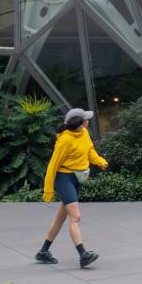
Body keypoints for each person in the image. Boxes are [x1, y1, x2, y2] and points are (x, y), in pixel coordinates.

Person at [37, 108, 108, 268]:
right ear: (79, 122)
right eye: (85, 119)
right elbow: (52, 166)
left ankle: (43, 251)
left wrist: (101, 162)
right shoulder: (65, 140)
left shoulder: (84, 133)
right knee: (75, 217)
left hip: (77, 179)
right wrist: (48, 191)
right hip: (64, 179)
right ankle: (83, 254)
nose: (87, 121)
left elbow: (90, 152)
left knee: (60, 218)